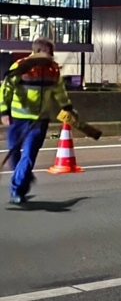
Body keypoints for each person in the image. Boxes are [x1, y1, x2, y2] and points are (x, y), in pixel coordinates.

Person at [0, 38, 75, 204]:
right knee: (14, 155)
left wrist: (67, 106)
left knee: (28, 156)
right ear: (39, 51)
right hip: (17, 119)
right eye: (50, 52)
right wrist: (4, 112)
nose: (53, 56)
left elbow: (59, 90)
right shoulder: (21, 66)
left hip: (39, 122)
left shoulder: (52, 70)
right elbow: (5, 89)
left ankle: (17, 190)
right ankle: (24, 176)